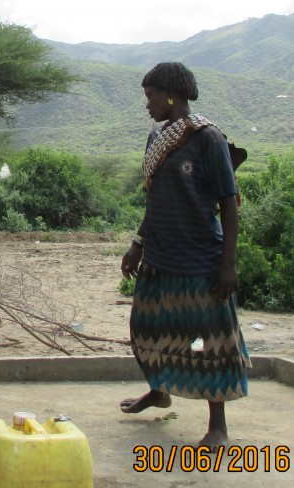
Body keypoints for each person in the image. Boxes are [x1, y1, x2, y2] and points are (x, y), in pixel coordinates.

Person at [120, 62, 249, 446]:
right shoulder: (157, 139)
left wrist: (228, 263)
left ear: (171, 95)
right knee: (145, 328)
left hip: (199, 260)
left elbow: (228, 202)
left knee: (209, 340)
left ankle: (218, 426)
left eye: (151, 97)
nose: (148, 105)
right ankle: (159, 390)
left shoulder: (207, 138)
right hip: (160, 255)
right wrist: (137, 244)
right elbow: (154, 201)